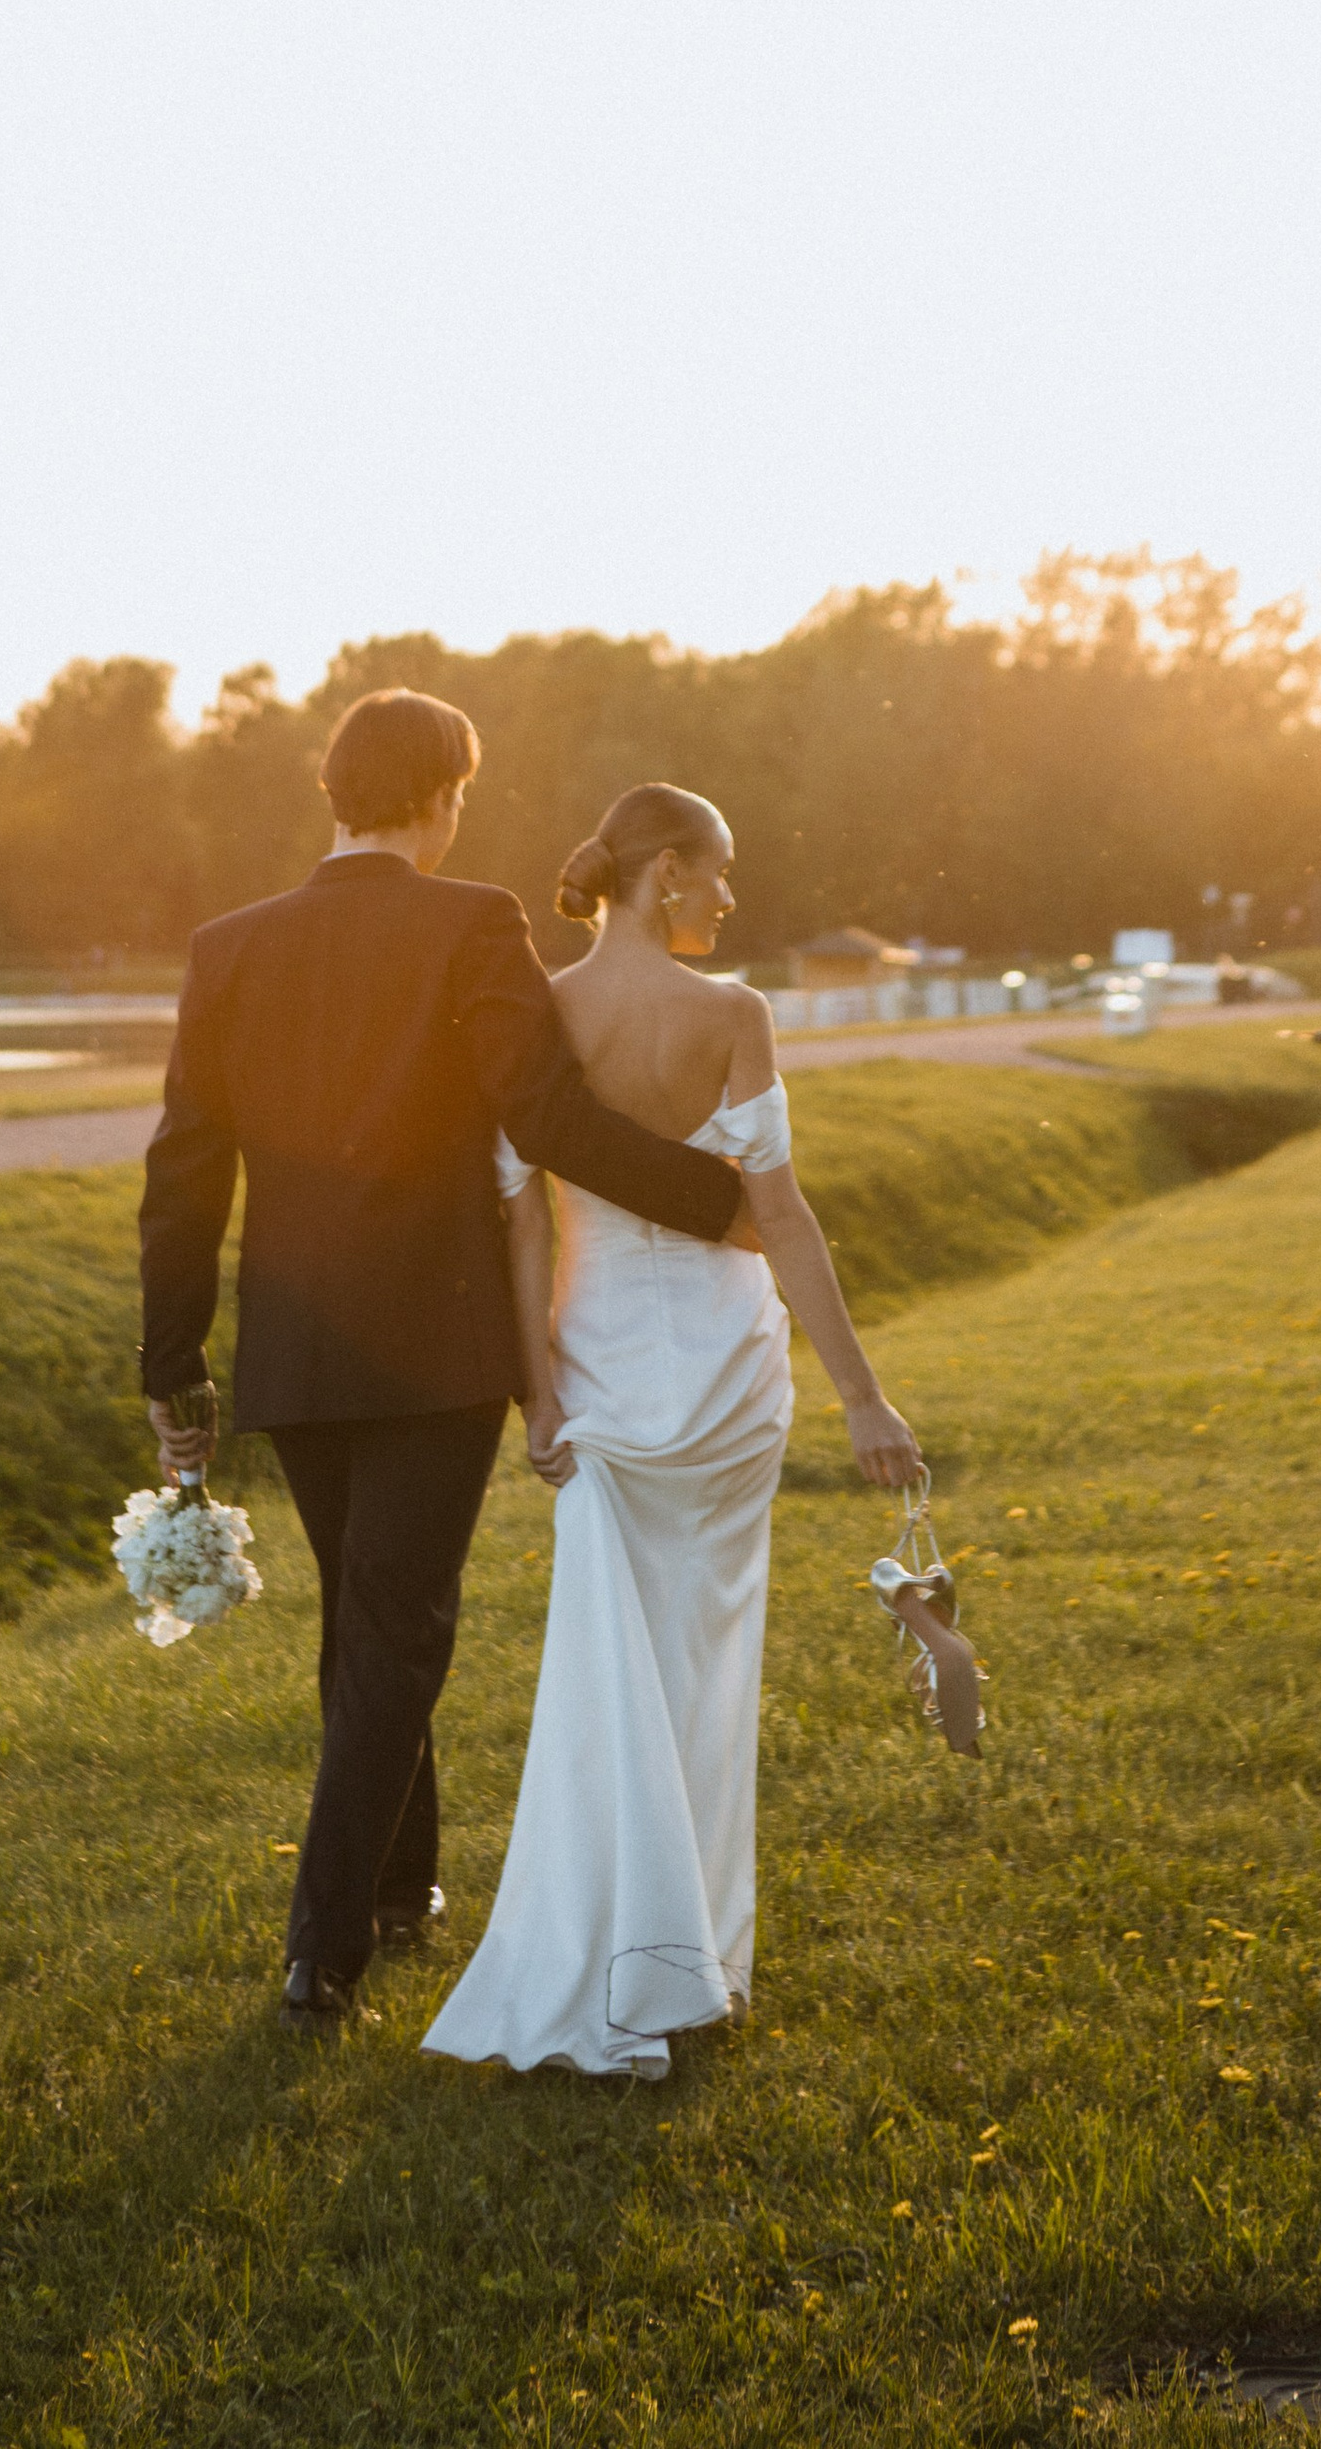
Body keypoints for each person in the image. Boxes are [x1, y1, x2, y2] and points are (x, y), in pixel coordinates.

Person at [136, 689, 748, 2036]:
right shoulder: (473, 922)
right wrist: (719, 1199)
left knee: (370, 1625)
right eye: (462, 792)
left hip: (295, 1346)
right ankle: (322, 1954)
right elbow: (545, 1116)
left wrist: (171, 1363)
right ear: (439, 796)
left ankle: (402, 1895)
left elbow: (185, 1167)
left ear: (336, 793)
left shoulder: (229, 947)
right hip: (432, 1344)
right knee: (396, 1633)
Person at [422, 781, 922, 2082]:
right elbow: (786, 1218)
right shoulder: (732, 1015)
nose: (730, 897)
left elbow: (522, 1224)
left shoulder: (542, 1016)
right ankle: (687, 1955)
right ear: (664, 875)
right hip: (724, 1372)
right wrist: (863, 1393)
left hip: (601, 1376)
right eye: (720, 870)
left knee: (608, 1669)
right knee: (703, 1671)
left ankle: (643, 1956)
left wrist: (540, 1395)